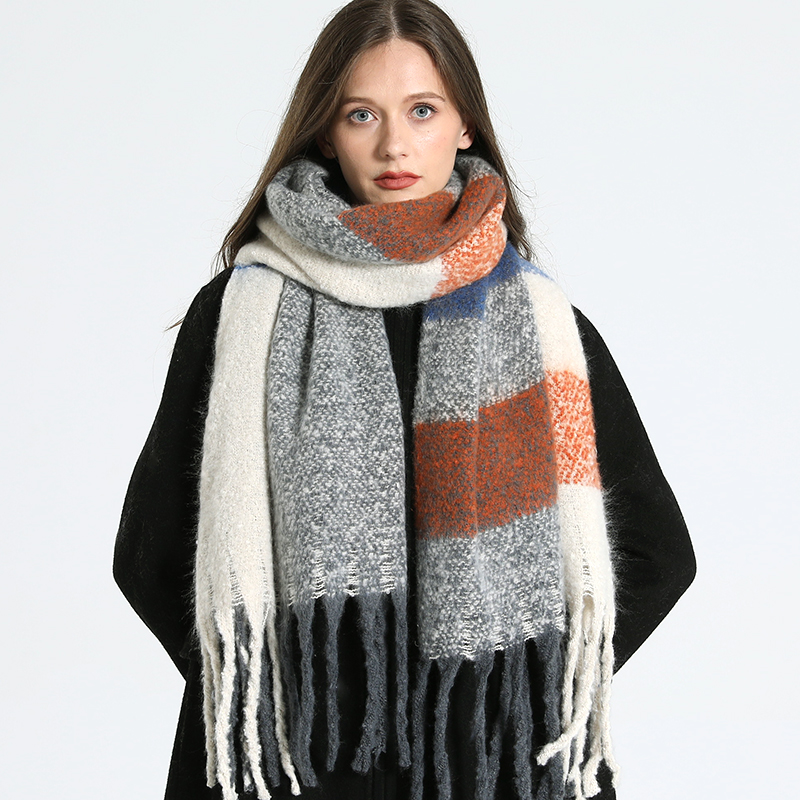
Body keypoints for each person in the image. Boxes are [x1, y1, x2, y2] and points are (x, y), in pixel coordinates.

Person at [114, 2, 696, 799]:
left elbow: (659, 555)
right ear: (327, 132)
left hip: (482, 771)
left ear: (464, 126)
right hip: (297, 771)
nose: (394, 145)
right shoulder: (243, 316)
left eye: (422, 110)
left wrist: (508, 700)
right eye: (362, 114)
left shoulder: (539, 325)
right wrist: (280, 694)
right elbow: (149, 554)